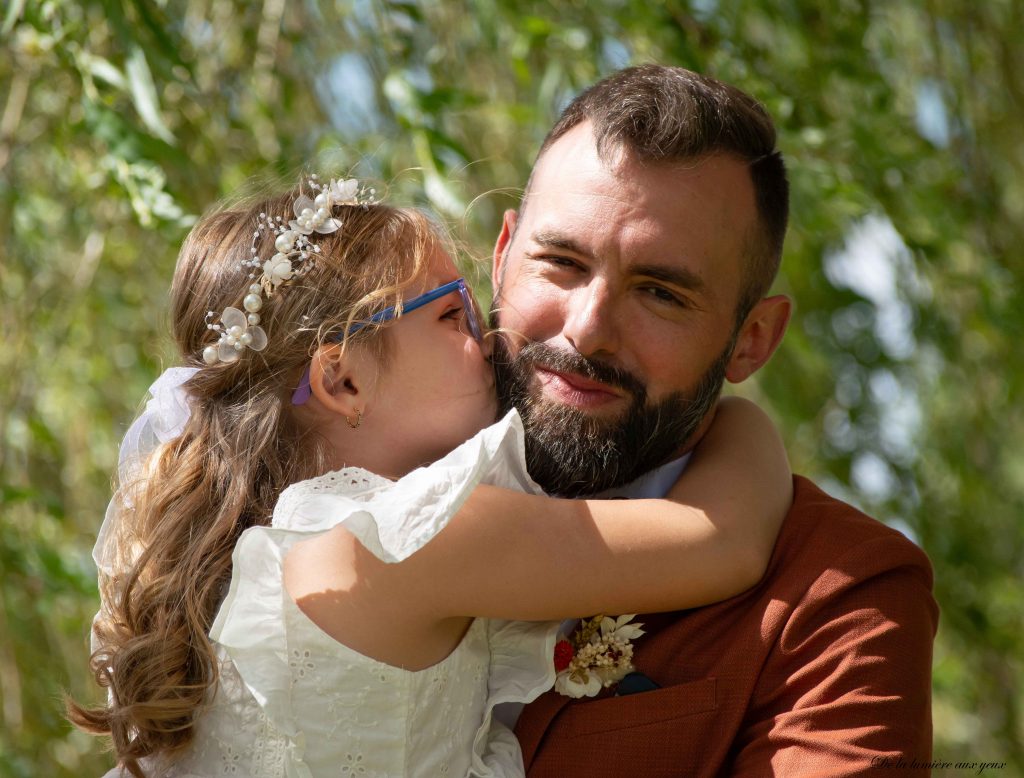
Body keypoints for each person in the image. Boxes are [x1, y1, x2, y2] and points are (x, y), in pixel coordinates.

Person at [69, 175, 792, 777]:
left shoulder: (252, 563)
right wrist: (738, 416)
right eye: (453, 315)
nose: (491, 340)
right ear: (343, 380)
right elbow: (720, 540)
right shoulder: (407, 539)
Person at [491, 65, 939, 776]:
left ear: (753, 338)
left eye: (661, 293)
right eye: (562, 262)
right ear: (502, 255)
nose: (588, 330)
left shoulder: (837, 597)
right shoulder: (353, 452)